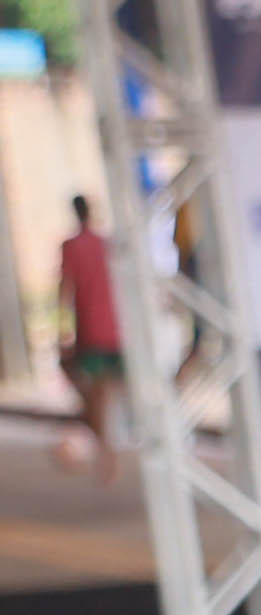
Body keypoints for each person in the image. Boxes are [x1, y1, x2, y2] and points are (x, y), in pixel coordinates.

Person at [50, 193, 123, 482]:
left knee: (95, 398)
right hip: (116, 329)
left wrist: (62, 331)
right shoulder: (109, 245)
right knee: (108, 396)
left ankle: (106, 452)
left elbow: (64, 291)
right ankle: (108, 453)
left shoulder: (71, 247)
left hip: (92, 331)